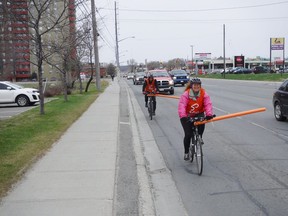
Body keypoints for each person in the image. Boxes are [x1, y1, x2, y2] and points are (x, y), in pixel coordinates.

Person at [178, 77, 214, 161]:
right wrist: (183, 116)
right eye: (195, 85)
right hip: (187, 116)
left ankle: (199, 137)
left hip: (199, 114)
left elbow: (208, 104)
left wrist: (209, 114)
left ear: (200, 86)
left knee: (201, 125)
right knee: (188, 134)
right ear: (191, 86)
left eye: (198, 85)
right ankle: (186, 152)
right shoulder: (186, 94)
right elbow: (182, 105)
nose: (196, 87)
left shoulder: (204, 93)